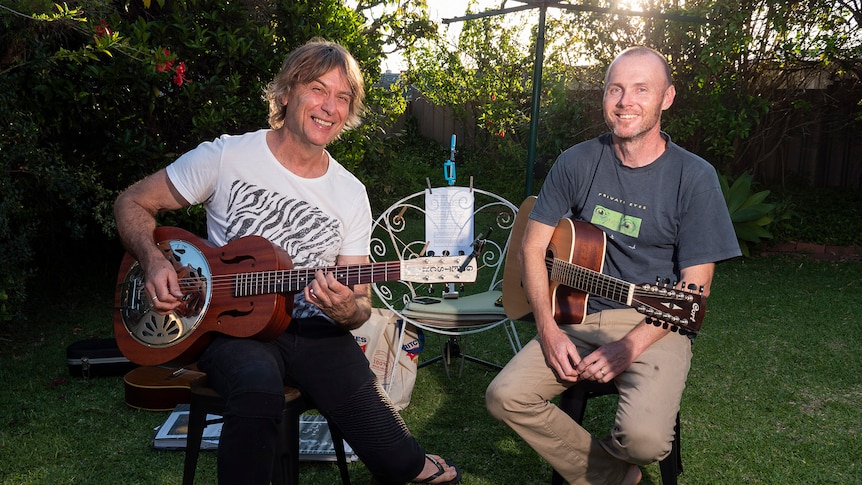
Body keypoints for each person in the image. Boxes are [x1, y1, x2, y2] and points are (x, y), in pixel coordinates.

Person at [114, 38, 461, 485]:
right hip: (230, 327)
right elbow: (131, 203)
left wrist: (344, 310)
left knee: (400, 463)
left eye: (342, 97)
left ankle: (415, 462)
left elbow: (358, 304)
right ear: (285, 93)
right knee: (257, 385)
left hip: (315, 331)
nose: (329, 107)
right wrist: (155, 260)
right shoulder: (227, 156)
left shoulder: (350, 193)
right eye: (318, 89)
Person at [485, 46, 741, 484]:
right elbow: (533, 247)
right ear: (604, 96)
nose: (626, 102)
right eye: (615, 89)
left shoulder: (694, 177)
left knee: (643, 441)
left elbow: (694, 292)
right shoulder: (577, 161)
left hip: (655, 320)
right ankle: (615, 476)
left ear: (667, 97)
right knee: (504, 396)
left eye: (642, 89)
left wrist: (629, 347)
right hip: (575, 313)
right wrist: (546, 329)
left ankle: (604, 466)